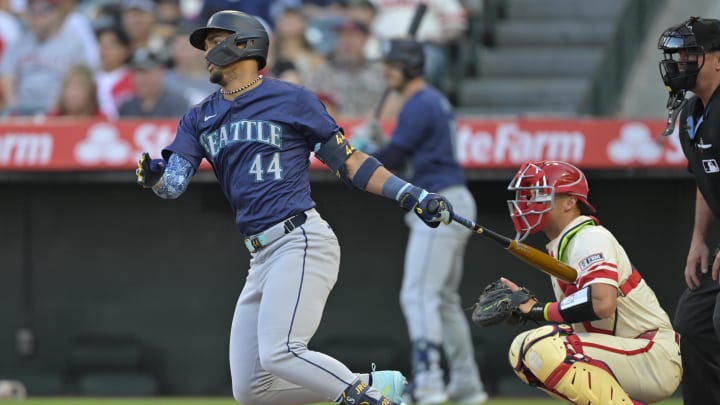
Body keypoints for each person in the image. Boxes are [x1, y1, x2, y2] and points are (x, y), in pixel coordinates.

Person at [134, 10, 456, 405]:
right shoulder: (200, 116)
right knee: (251, 390)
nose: (206, 51)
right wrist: (156, 177)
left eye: (214, 41)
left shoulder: (292, 99)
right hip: (259, 256)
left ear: (244, 44)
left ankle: (372, 401)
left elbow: (349, 162)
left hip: (298, 238)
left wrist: (411, 194)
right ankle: (370, 387)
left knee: (281, 351)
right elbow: (174, 185)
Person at [482, 160, 681, 404]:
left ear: (570, 201)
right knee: (522, 352)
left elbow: (601, 303)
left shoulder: (588, 237)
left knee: (541, 345)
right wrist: (532, 309)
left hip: (650, 353)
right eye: (528, 194)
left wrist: (538, 310)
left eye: (540, 194)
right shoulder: (564, 245)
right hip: (625, 351)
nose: (528, 202)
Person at [366, 38, 486, 405]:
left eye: (392, 64)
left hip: (438, 203)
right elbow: (404, 156)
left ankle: (429, 380)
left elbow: (395, 158)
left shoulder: (419, 103)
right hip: (450, 198)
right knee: (444, 300)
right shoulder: (429, 100)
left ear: (410, 66)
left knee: (418, 295)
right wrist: (380, 144)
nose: (387, 72)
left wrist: (367, 152)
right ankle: (466, 384)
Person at [657, 16, 720, 405]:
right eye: (677, 55)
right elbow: (704, 179)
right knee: (692, 324)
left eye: (690, 54)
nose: (680, 63)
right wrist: (699, 240)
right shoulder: (693, 116)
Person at [118, 47, 189, 118]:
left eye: (146, 72)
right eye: (136, 73)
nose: (140, 78)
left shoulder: (177, 103)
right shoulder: (127, 106)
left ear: (161, 72)